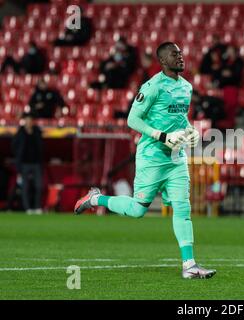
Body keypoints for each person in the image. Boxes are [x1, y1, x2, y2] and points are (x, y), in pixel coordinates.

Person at [74, 42, 216, 280]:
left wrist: (190, 131)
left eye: (181, 53)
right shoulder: (152, 87)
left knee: (182, 207)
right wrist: (162, 136)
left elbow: (180, 119)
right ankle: (95, 198)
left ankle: (189, 265)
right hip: (151, 157)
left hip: (175, 157)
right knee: (138, 210)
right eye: (174, 54)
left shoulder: (187, 88)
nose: (180, 57)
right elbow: (133, 119)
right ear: (162, 61)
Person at [12, 113, 44, 214]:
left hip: (36, 163)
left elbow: (41, 146)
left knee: (38, 186)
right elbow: (14, 146)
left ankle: (37, 207)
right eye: (27, 120)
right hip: (24, 164)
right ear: (25, 121)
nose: (29, 122)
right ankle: (27, 208)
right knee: (25, 187)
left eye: (30, 120)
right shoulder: (20, 132)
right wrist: (18, 158)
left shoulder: (37, 131)